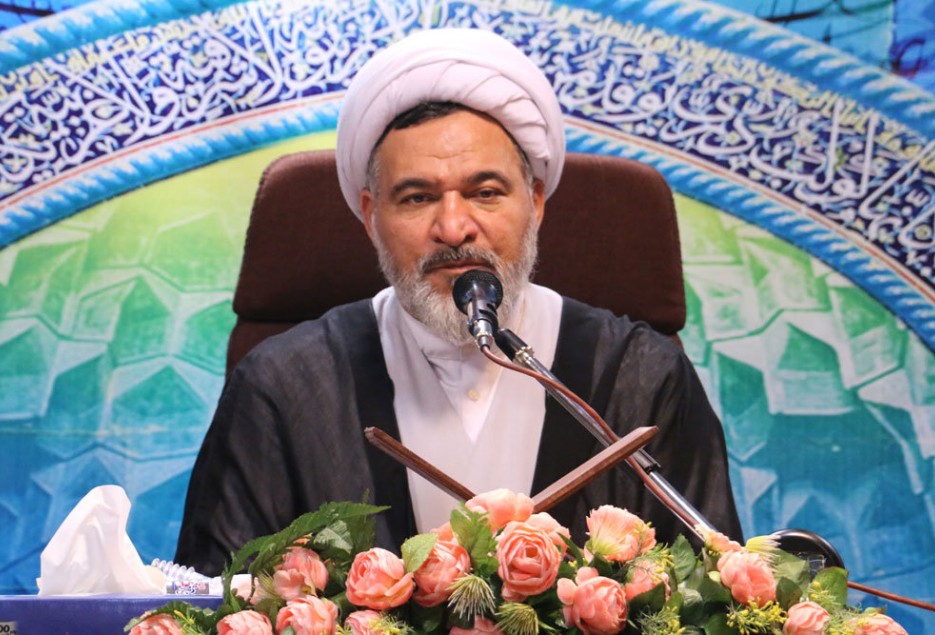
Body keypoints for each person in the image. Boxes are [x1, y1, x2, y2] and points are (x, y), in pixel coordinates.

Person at [175, 28, 742, 576]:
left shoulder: (643, 378)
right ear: (371, 216)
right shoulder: (282, 385)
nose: (453, 228)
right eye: (417, 198)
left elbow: (715, 599)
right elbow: (214, 601)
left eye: (485, 193)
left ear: (535, 203)